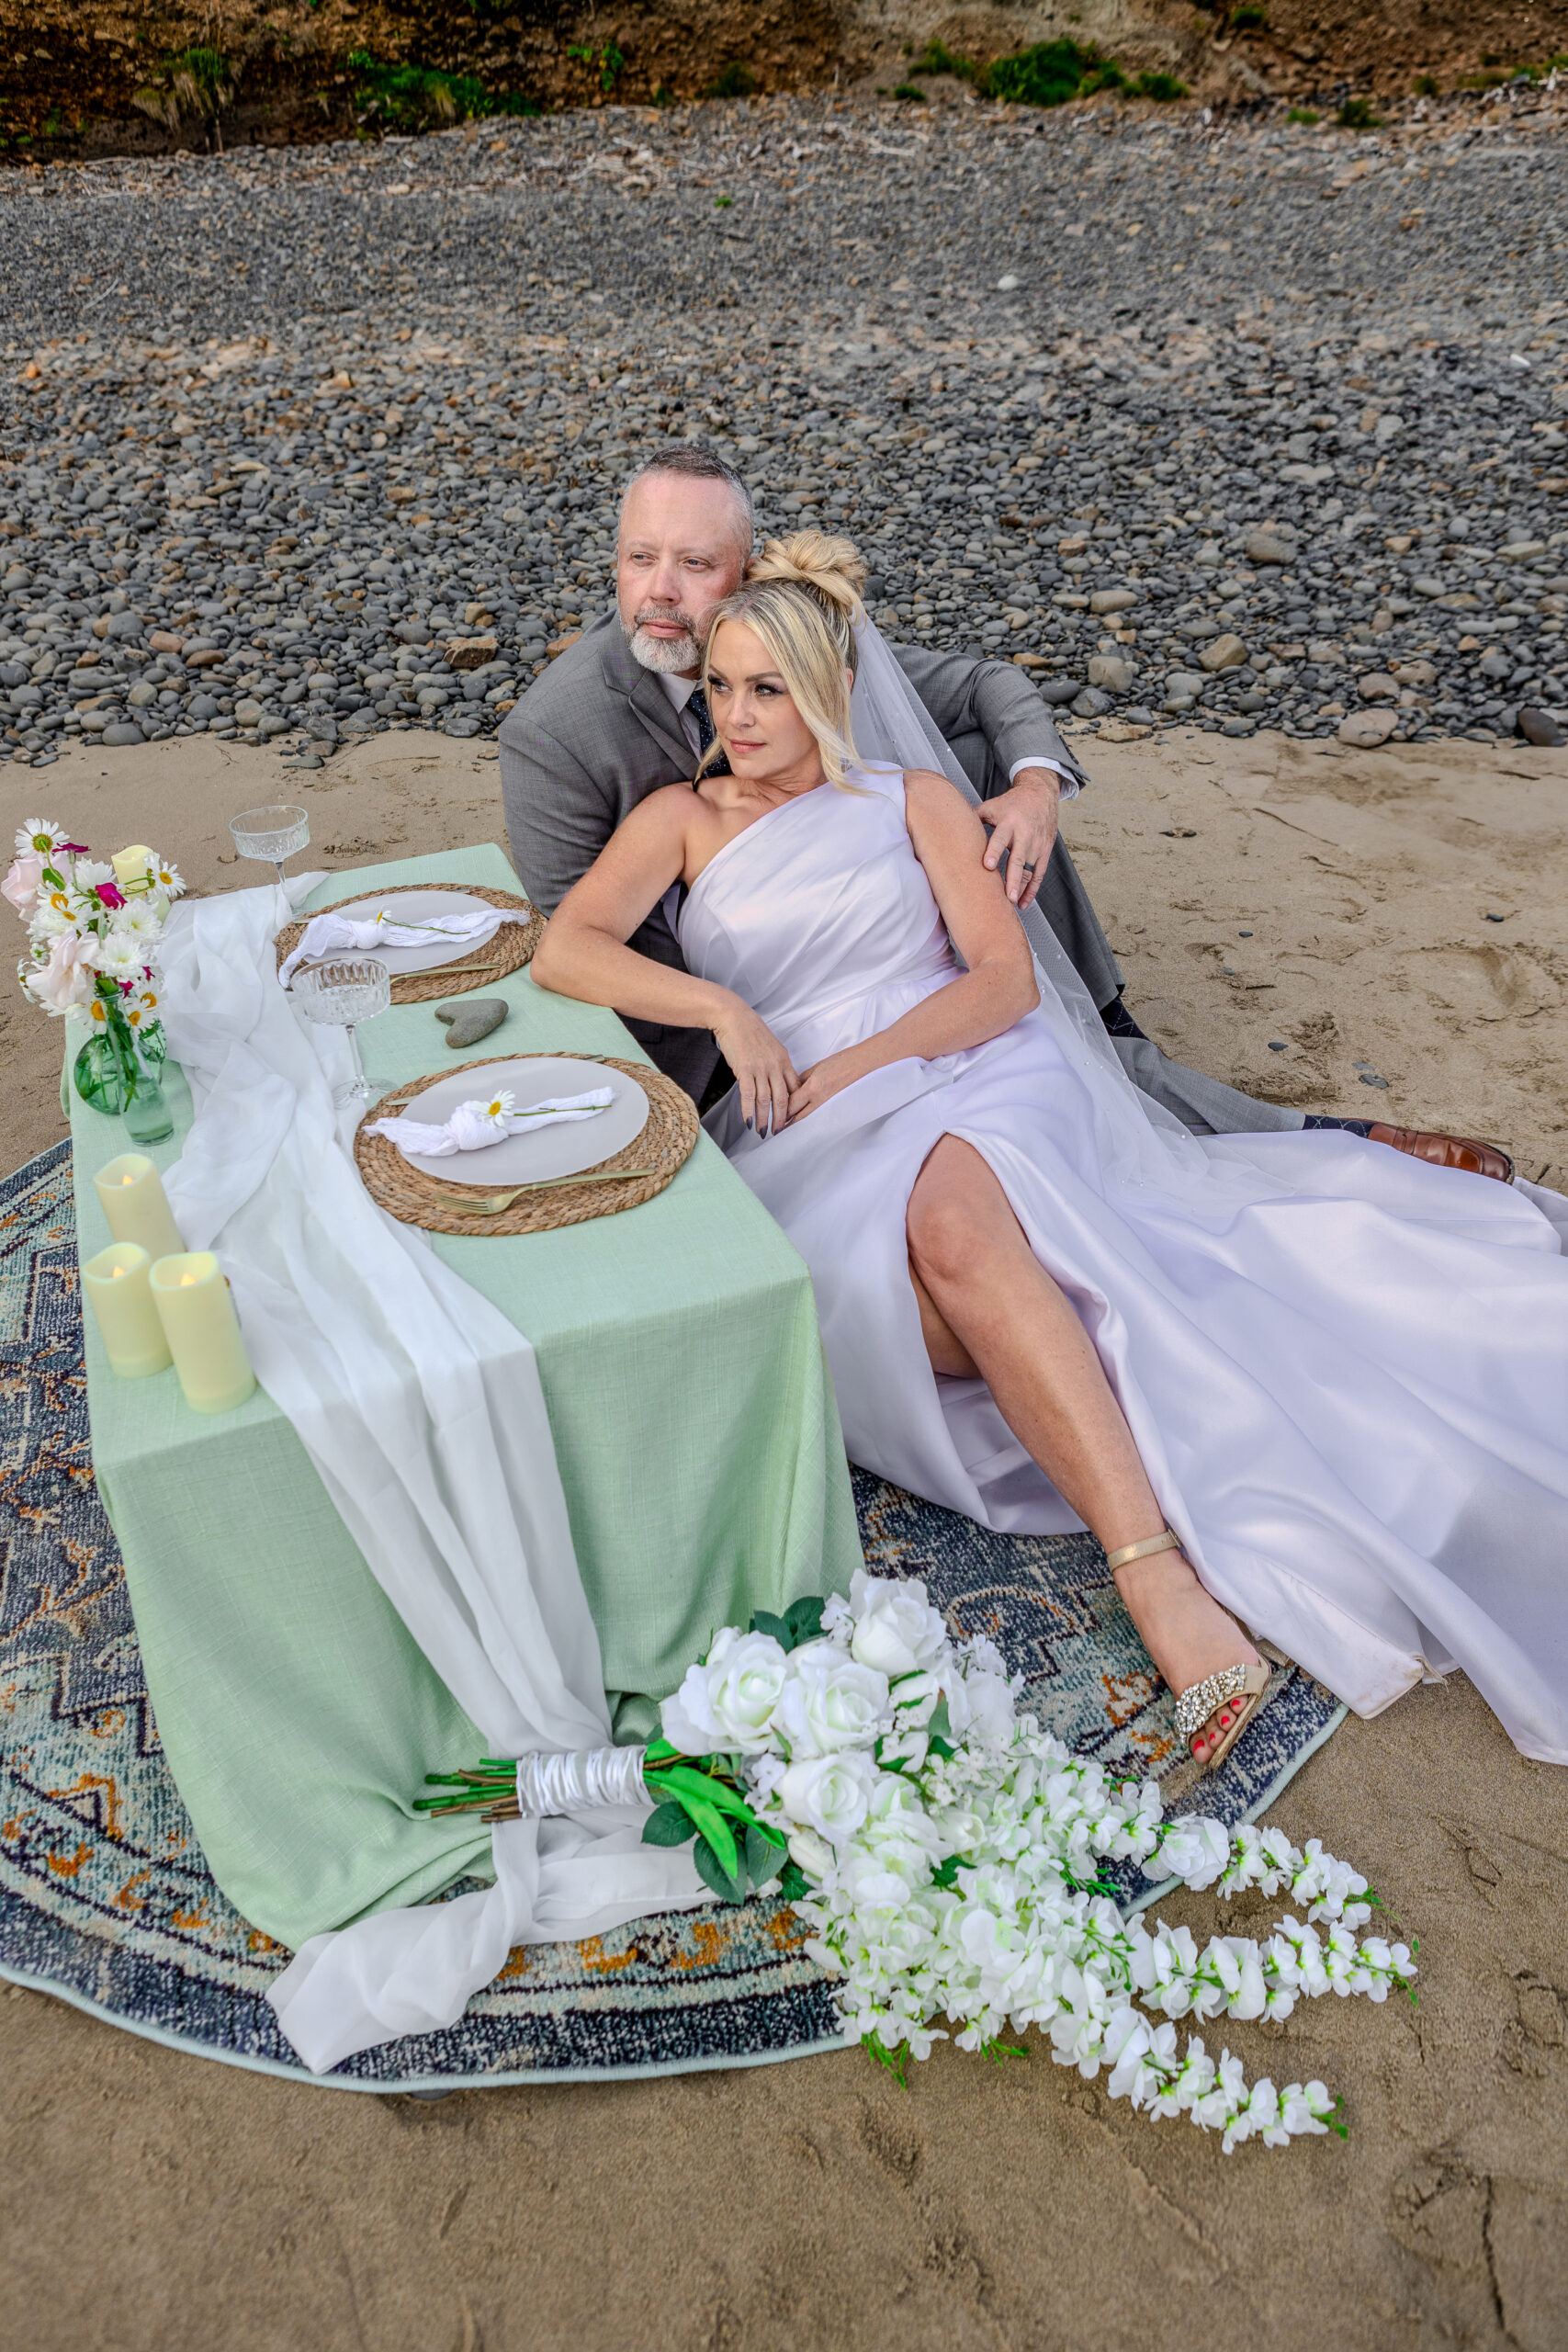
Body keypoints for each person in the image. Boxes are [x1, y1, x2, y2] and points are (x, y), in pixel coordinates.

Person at [531, 536, 1568, 1772]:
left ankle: (1154, 1579)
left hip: (968, 1069)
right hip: (794, 1120)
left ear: (826, 691)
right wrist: (727, 1015)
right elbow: (566, 949)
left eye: (767, 688)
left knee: (956, 1230)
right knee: (931, 1314)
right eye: (720, 688)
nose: (739, 716)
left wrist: (859, 1071)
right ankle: (1117, 1366)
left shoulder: (905, 801)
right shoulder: (680, 818)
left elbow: (1001, 982)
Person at [502, 447, 1505, 1171]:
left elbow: (986, 684)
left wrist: (1034, 788)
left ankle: (1193, 1073)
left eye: (694, 564)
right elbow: (592, 943)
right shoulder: (558, 733)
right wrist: (770, 998)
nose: (661, 596)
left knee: (976, 779)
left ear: (749, 569)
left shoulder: (793, 637)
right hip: (733, 1034)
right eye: (639, 559)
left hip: (900, 968)